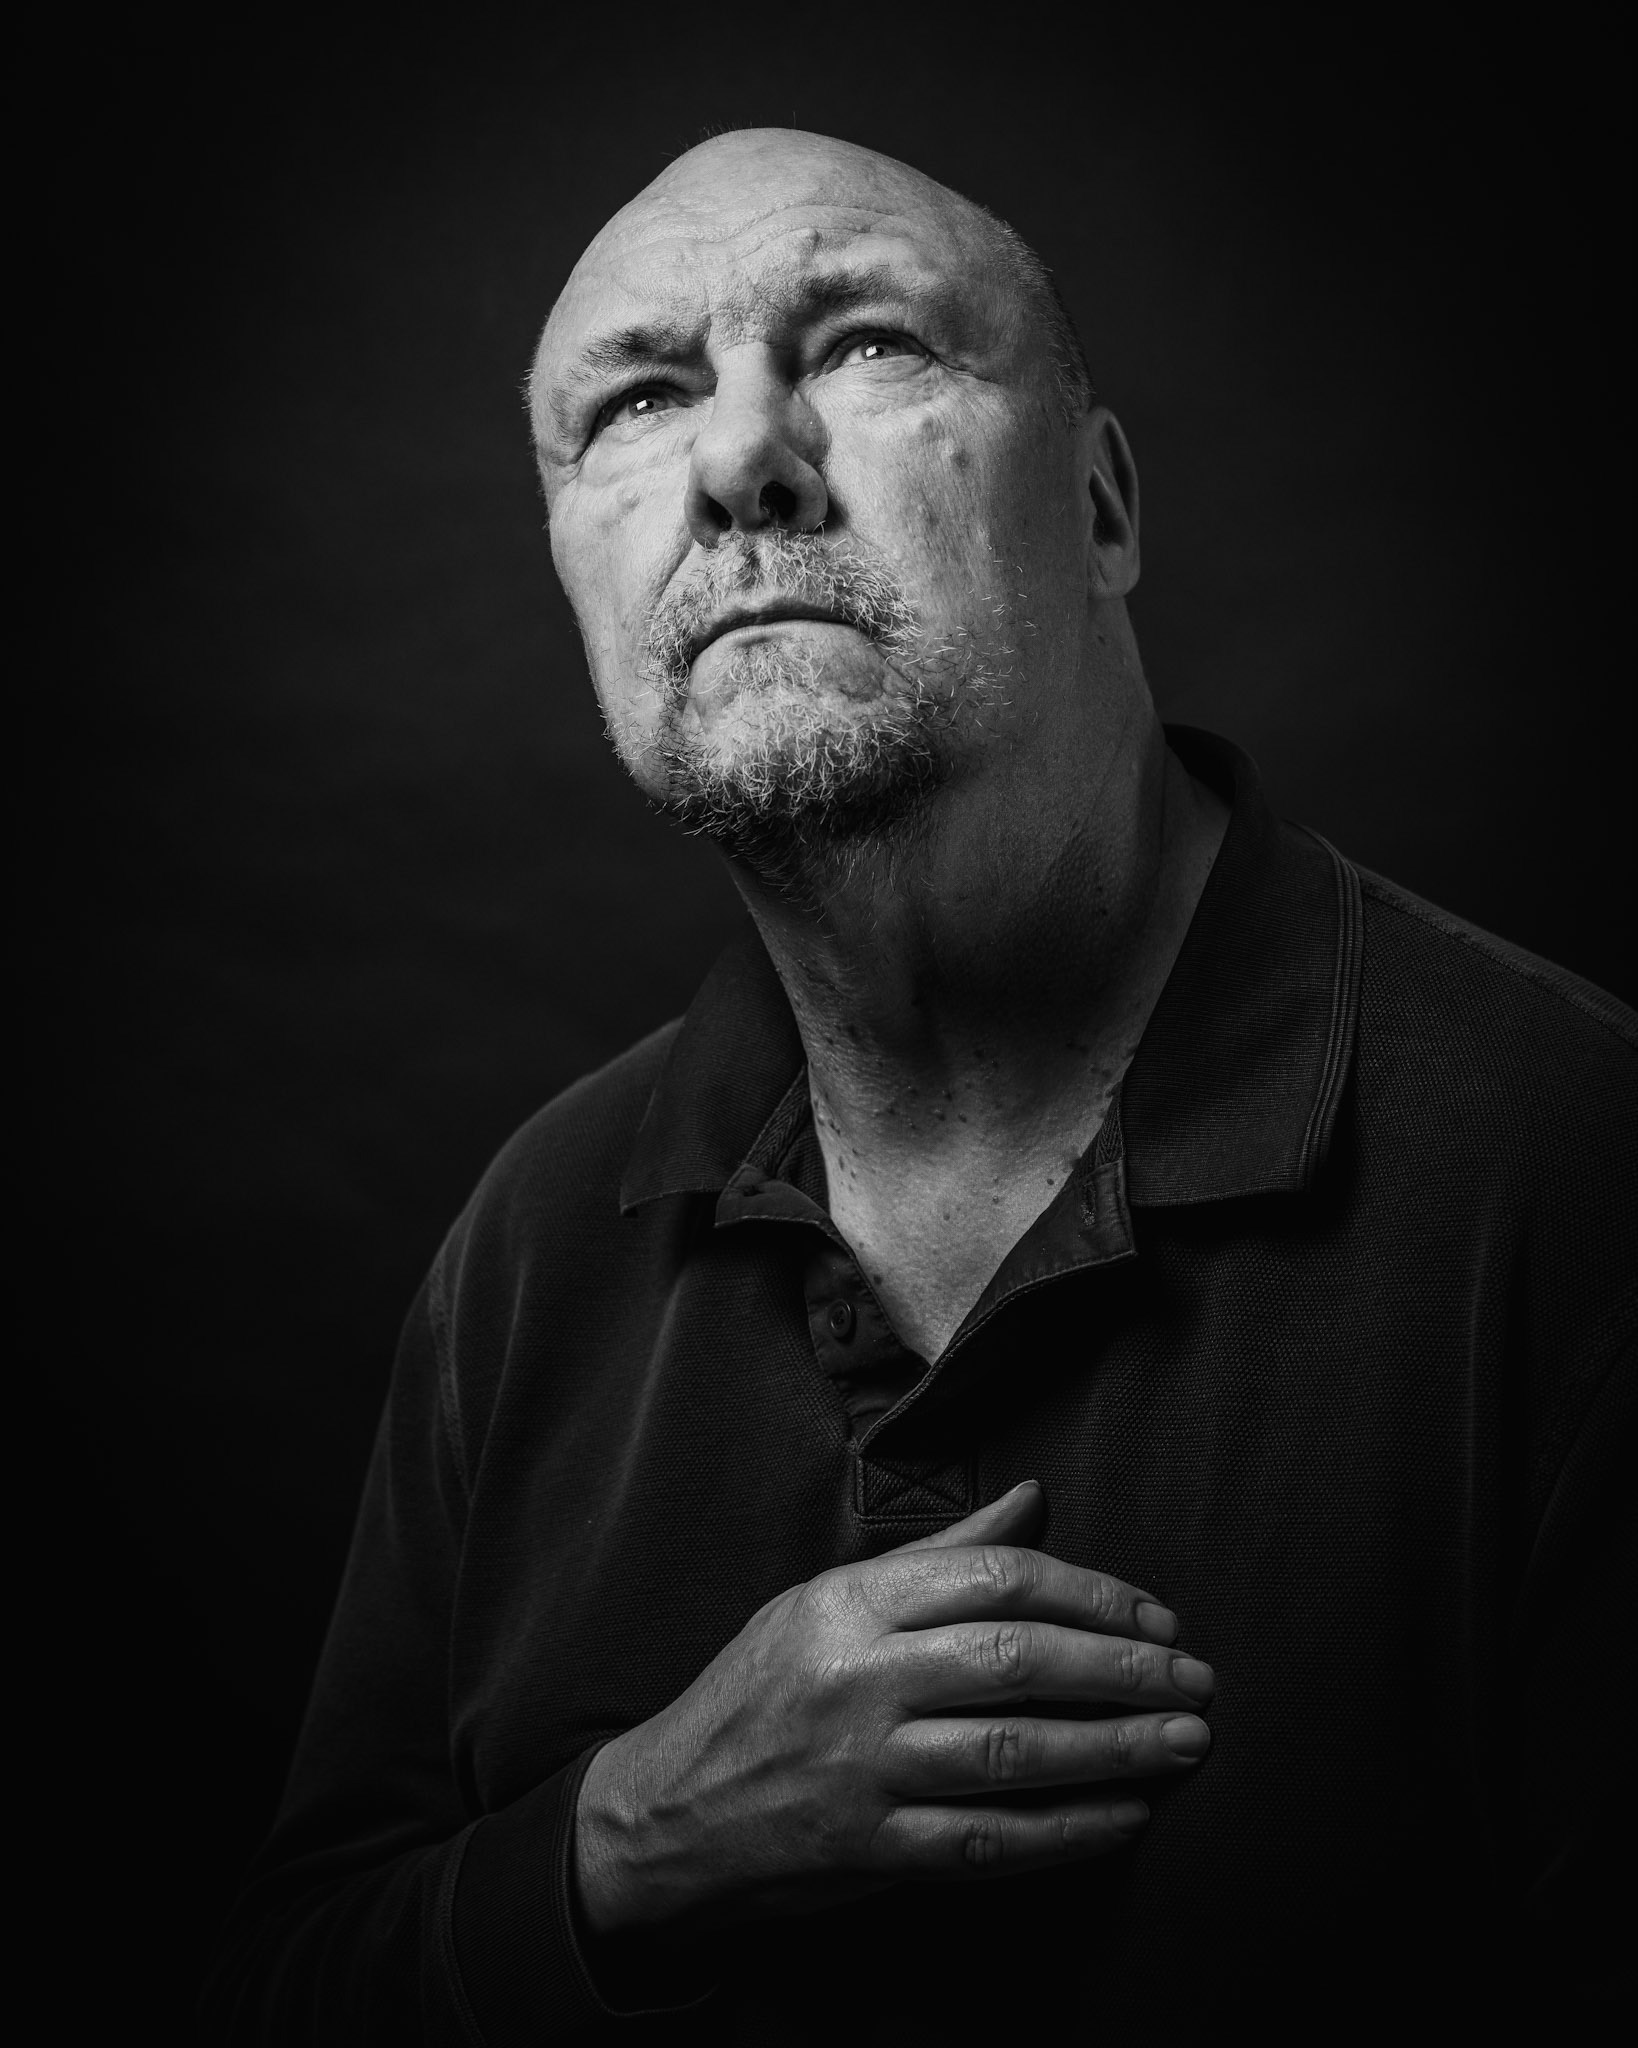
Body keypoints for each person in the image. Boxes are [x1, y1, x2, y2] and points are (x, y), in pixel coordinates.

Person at [201, 129, 1636, 2042]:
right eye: (636, 400)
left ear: (1101, 506)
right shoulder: (529, 1244)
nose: (739, 457)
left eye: (867, 343)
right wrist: (625, 1840)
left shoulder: (1572, 1169)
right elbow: (295, 1983)